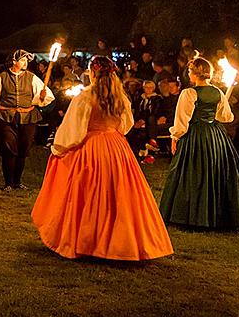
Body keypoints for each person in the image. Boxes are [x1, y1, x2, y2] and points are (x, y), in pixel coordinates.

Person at [31, 56, 173, 261]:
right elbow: (126, 125)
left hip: (91, 147)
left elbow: (74, 129)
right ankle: (119, 241)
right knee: (118, 194)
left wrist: (58, 147)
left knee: (89, 194)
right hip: (117, 148)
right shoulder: (120, 98)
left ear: (93, 73)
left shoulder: (86, 97)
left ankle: (89, 241)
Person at [159, 56, 239, 228]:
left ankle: (189, 215)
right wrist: (214, 109)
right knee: (215, 171)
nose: (189, 74)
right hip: (215, 137)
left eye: (190, 71)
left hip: (195, 135)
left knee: (192, 172)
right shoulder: (217, 92)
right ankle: (216, 215)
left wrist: (175, 137)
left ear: (194, 73)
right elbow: (226, 117)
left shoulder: (189, 93)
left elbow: (182, 121)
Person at [0, 49, 55, 191]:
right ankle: (8, 182)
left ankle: (18, 182)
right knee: (8, 149)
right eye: (23, 60)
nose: (25, 63)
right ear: (14, 62)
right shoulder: (2, 77)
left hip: (28, 117)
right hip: (6, 118)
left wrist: (41, 97)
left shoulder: (32, 77)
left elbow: (45, 97)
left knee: (23, 149)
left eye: (26, 60)